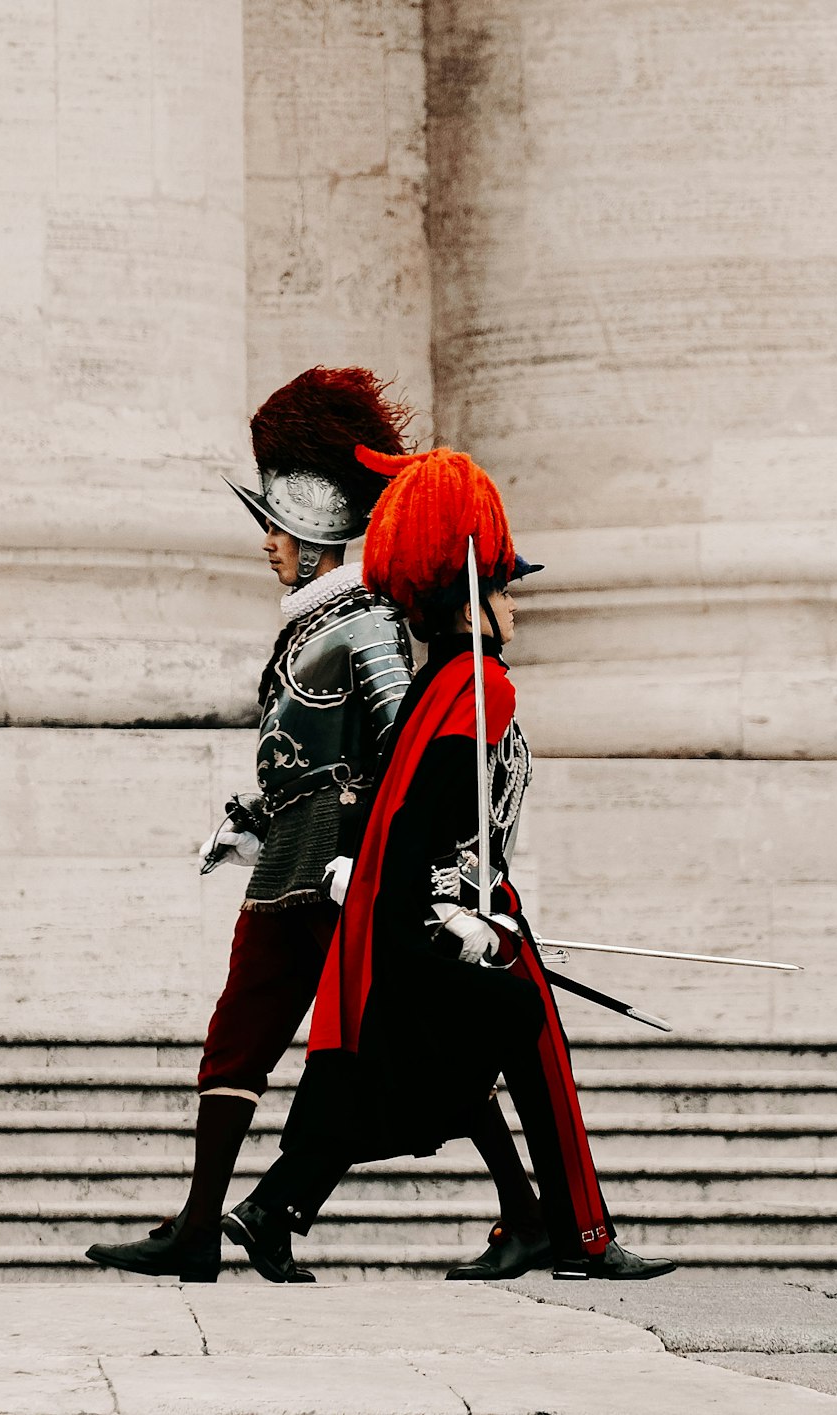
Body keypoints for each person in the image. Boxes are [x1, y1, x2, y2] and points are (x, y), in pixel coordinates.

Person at [223, 445, 677, 1284]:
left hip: (423, 909)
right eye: (505, 586)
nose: (515, 603)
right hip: (462, 908)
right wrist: (456, 909)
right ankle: (577, 1235)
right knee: (518, 1052)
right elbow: (436, 816)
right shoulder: (480, 686)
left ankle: (288, 1205)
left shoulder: (444, 682)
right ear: (477, 598)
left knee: (442, 1067)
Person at [84, 366, 417, 1283]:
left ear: (312, 535)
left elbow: (400, 755)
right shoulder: (309, 624)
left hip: (344, 870)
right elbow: (293, 755)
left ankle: (519, 1204)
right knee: (239, 1033)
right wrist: (249, 822)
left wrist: (364, 855)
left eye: (275, 526)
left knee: (395, 1050)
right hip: (287, 862)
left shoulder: (371, 627)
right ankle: (199, 1226)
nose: (266, 543)